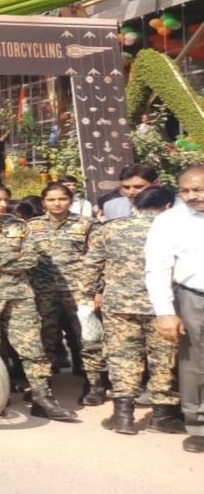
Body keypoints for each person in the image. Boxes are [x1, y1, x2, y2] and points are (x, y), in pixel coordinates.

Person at [0, 184, 75, 421]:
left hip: (20, 295)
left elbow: (31, 258)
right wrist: (12, 257)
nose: (3, 205)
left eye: (5, 200)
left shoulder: (17, 225)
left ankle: (42, 398)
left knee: (32, 347)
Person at [81, 186, 180, 435]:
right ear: (168, 206)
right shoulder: (174, 230)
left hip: (119, 305)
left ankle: (123, 416)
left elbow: (90, 267)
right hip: (163, 307)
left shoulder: (109, 229)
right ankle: (162, 417)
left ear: (134, 205)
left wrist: (85, 299)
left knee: (122, 358)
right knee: (163, 360)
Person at [145, 165, 204, 453]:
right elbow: (157, 267)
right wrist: (164, 312)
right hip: (194, 298)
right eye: (185, 190)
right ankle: (199, 427)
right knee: (195, 366)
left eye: (199, 189)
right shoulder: (170, 221)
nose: (192, 196)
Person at [28, 183, 103, 404]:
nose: (57, 204)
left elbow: (98, 258)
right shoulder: (31, 226)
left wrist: (97, 290)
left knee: (88, 337)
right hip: (43, 292)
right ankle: (44, 386)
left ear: (71, 200)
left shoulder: (87, 224)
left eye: (62, 199)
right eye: (51, 200)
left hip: (79, 291)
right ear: (43, 202)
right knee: (45, 337)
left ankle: (95, 385)